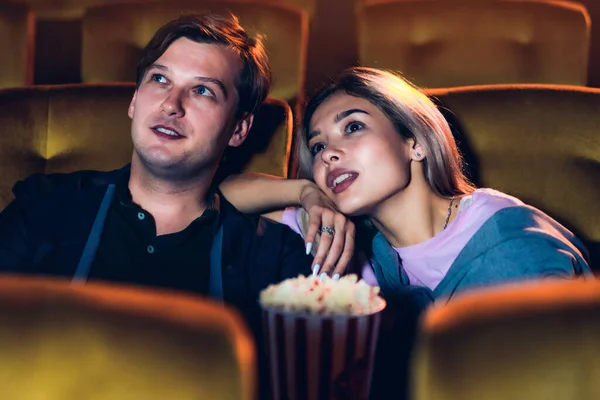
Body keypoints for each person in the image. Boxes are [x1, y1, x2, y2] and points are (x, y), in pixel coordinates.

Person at [0, 14, 353, 398]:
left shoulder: (274, 258)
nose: (172, 104)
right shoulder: (45, 207)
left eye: (203, 91)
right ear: (135, 100)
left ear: (239, 129)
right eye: (160, 79)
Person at [223, 66, 593, 303]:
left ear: (414, 143)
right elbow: (211, 201)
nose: (328, 154)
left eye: (353, 127)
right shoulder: (348, 235)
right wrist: (304, 192)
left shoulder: (513, 250)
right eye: (318, 145)